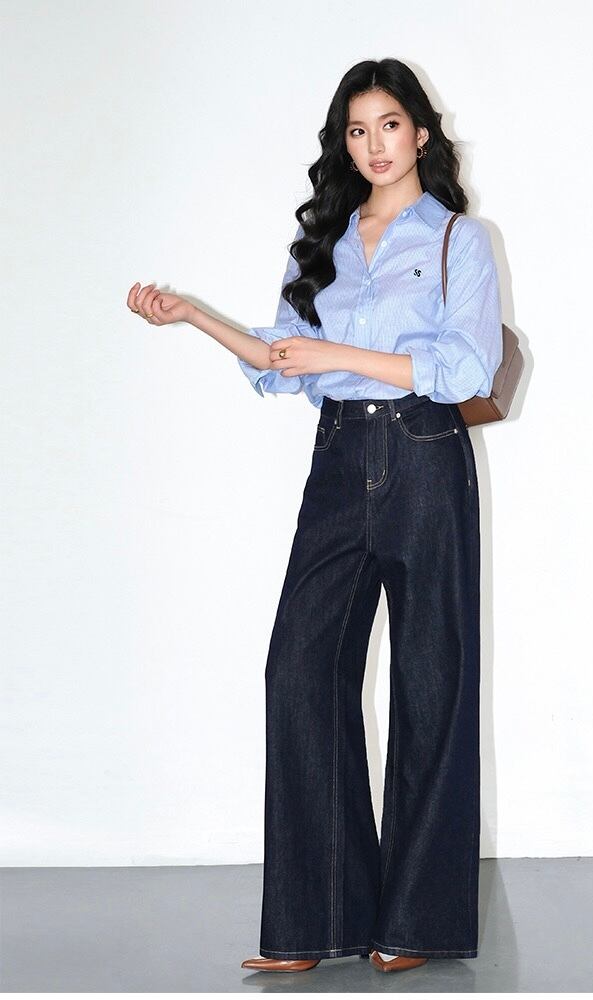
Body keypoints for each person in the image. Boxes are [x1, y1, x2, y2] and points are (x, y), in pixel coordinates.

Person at [127, 57, 502, 975]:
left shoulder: (458, 239)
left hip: (423, 456)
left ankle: (416, 924)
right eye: (357, 130)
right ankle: (315, 921)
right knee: (299, 669)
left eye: (390, 125)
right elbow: (279, 360)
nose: (374, 145)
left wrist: (340, 354)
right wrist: (194, 317)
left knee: (431, 682)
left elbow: (464, 368)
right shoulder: (320, 243)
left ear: (421, 132)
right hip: (338, 459)